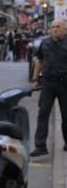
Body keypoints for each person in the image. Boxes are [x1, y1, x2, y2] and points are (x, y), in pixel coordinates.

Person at [30, 19, 67, 157]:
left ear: (65, 29)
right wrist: (35, 78)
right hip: (48, 84)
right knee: (43, 114)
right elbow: (39, 60)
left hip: (64, 84)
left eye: (58, 27)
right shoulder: (45, 43)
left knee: (66, 115)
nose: (55, 29)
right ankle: (40, 146)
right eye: (53, 27)